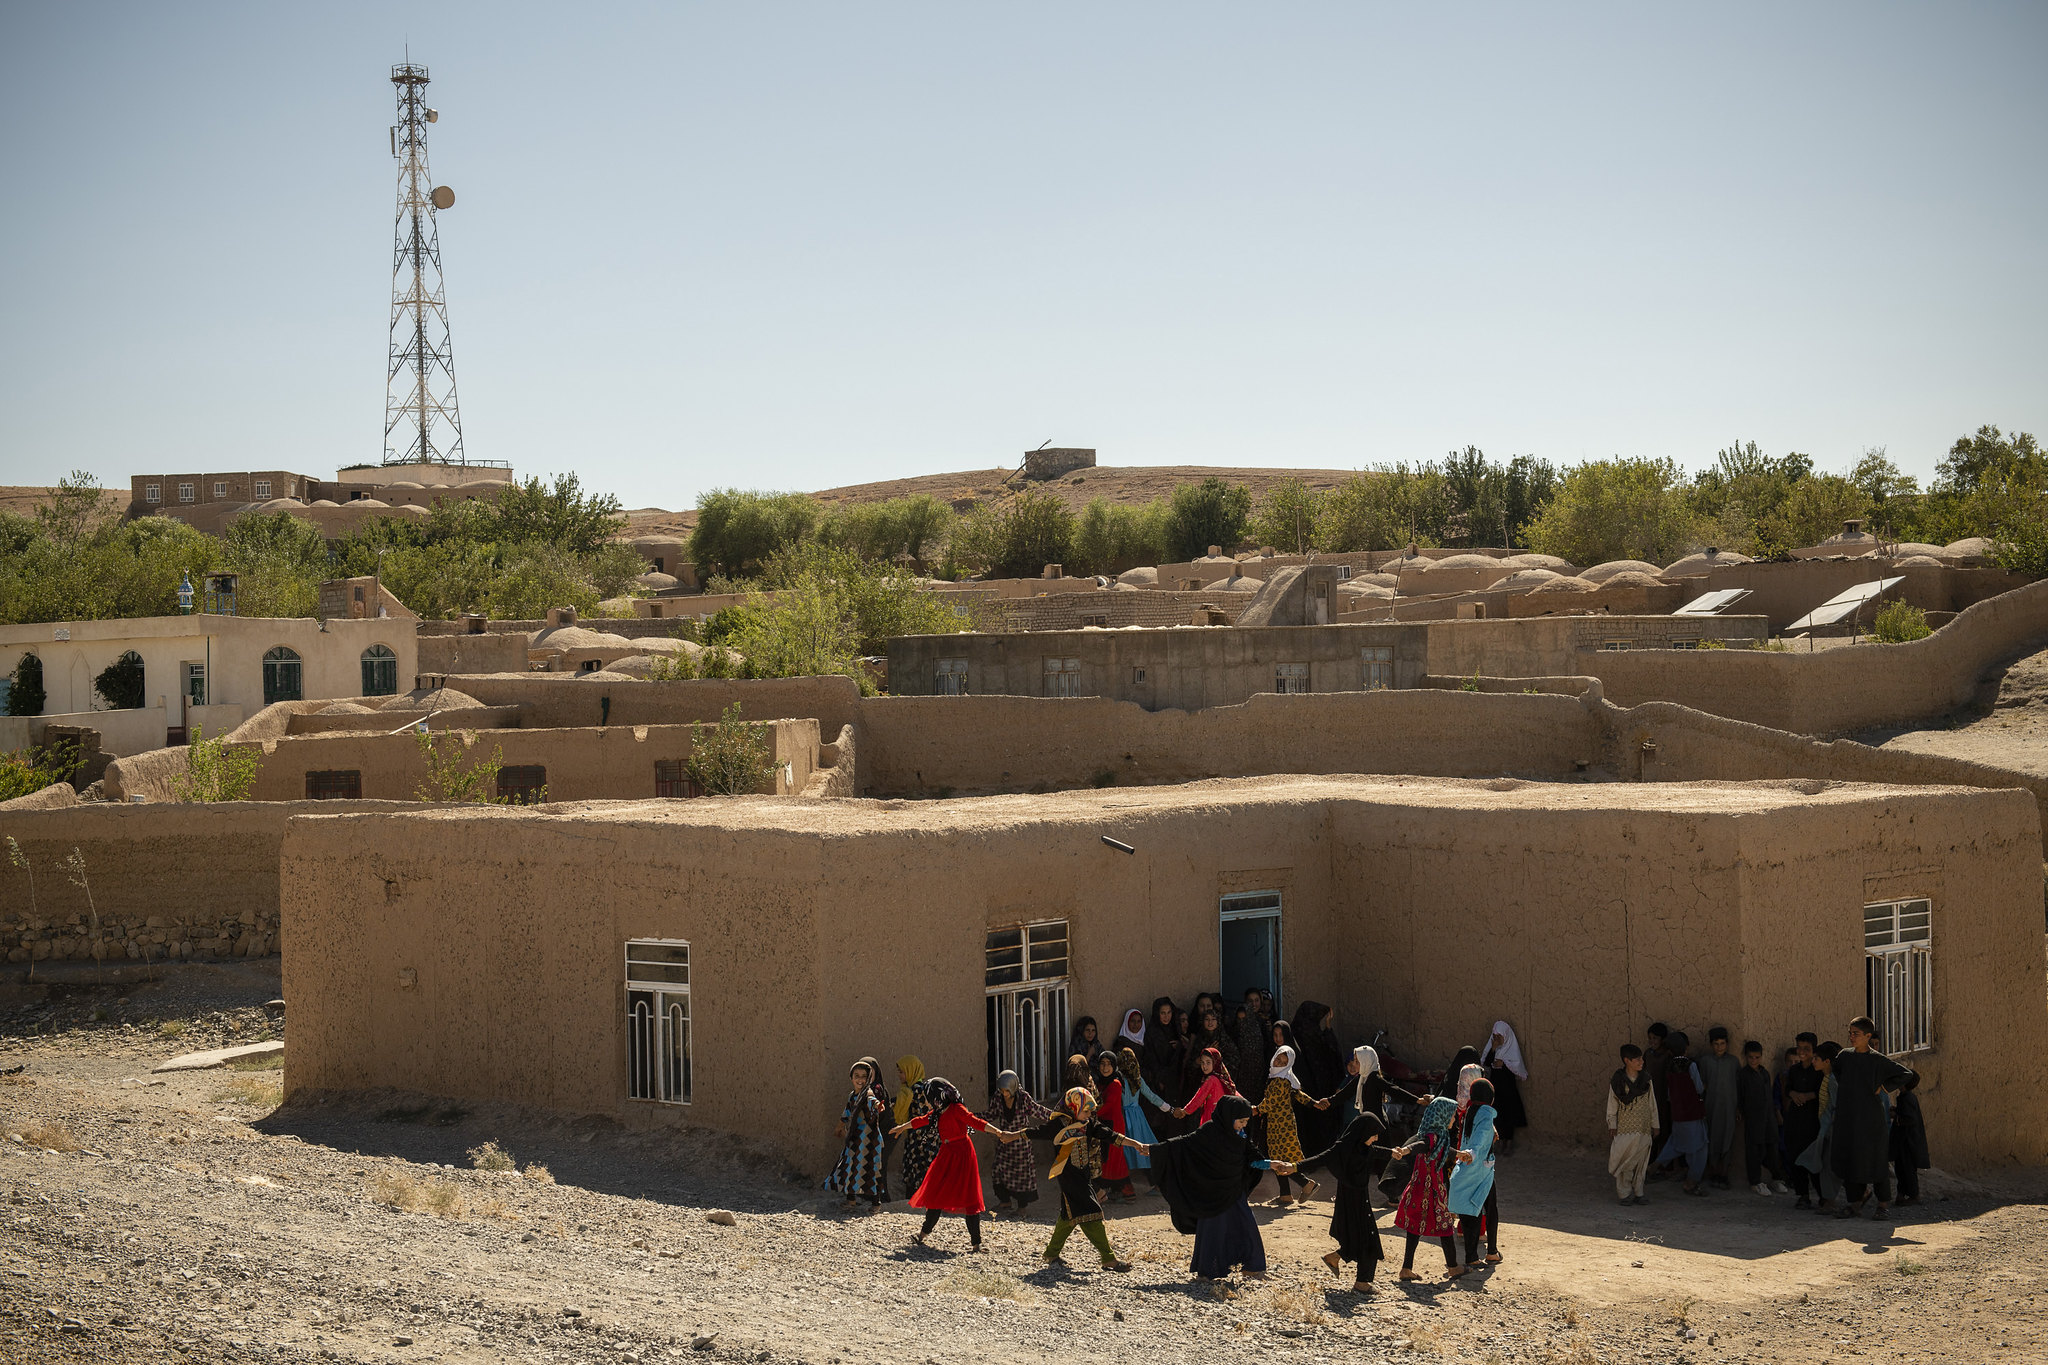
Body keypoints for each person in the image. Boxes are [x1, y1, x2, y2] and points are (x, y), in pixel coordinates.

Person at [1151, 1093, 1294, 1286]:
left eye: (1245, 1121)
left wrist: (1272, 1164)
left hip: (1234, 1192)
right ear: (1228, 1116)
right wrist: (1154, 1150)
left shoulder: (1241, 1135)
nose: (1243, 1125)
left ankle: (1252, 1268)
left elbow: (1252, 1159)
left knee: (1247, 1227)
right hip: (1211, 1194)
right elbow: (1183, 1144)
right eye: (1240, 1121)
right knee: (1212, 1232)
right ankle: (1206, 1272)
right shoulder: (1209, 1132)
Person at [892, 1077, 1021, 1252]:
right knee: (935, 1193)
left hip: (963, 1154)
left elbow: (975, 1122)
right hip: (946, 1153)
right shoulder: (939, 1112)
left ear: (936, 1097)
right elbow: (921, 1120)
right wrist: (902, 1127)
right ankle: (922, 1235)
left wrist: (998, 1132)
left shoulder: (955, 1109)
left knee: (969, 1197)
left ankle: (976, 1243)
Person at [1030, 1088, 1145, 1271]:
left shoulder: (1088, 1124)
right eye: (1085, 1110)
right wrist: (1011, 1135)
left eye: (1090, 1111)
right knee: (1091, 1211)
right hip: (1068, 1176)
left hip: (1083, 1176)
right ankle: (1108, 1258)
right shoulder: (1060, 1124)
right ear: (1074, 1107)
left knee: (1068, 1216)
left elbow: (1111, 1135)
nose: (1089, 1114)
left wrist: (1136, 1144)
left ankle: (1051, 1253)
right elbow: (1036, 1132)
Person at [1830, 1016, 1916, 1220]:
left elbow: (1905, 1074)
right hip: (1849, 1118)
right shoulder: (1844, 1056)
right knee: (1851, 1159)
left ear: (1868, 1036)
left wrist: (1884, 1088)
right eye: (1850, 1033)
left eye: (1856, 1034)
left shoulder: (1878, 1060)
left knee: (1876, 1161)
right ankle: (1855, 1203)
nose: (1851, 1037)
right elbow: (1838, 1072)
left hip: (1872, 1121)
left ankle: (1883, 1204)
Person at [1297, 1109, 1390, 1293]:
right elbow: (1321, 1158)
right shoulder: (1343, 1148)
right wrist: (1294, 1167)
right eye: (1374, 1135)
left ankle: (1338, 1259)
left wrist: (1394, 1153)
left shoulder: (1363, 1148)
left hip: (1360, 1199)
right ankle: (1360, 1281)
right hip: (1350, 1201)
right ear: (1363, 1132)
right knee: (1367, 1238)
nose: (1376, 1139)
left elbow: (1376, 1151)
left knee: (1362, 1237)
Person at [1391, 1095, 1461, 1281]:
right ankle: (1453, 1267)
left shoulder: (1440, 1137)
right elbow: (1421, 1146)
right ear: (1443, 1116)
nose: (1454, 1119)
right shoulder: (1431, 1137)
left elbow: (1446, 1148)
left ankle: (1406, 1269)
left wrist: (1460, 1154)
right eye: (1452, 1116)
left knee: (1415, 1227)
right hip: (1430, 1191)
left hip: (1421, 1189)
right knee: (1445, 1226)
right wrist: (1405, 1150)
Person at [1253, 1044, 1329, 1205]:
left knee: (1282, 1160)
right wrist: (1314, 1103)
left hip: (1282, 1126)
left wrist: (1256, 1109)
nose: (1279, 1063)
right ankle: (1285, 1195)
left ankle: (1307, 1184)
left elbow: (1271, 1102)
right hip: (1277, 1125)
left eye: (1283, 1062)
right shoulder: (1283, 1078)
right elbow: (1299, 1095)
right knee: (1279, 1158)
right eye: (1278, 1059)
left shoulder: (1280, 1081)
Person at [824, 1057, 889, 1212]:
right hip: (855, 1138)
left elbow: (873, 1103)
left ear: (868, 1079)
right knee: (850, 1167)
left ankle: (876, 1203)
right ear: (851, 1077)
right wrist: (838, 1129)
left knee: (871, 1169)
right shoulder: (853, 1095)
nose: (860, 1080)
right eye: (856, 1076)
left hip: (869, 1139)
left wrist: (877, 1107)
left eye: (863, 1077)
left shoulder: (868, 1094)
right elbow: (846, 1114)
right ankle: (851, 1200)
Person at [1448, 1078, 1501, 1269]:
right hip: (1482, 1170)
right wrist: (1471, 1153)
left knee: (1469, 1213)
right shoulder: (1486, 1117)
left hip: (1468, 1169)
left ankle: (1472, 1256)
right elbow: (1478, 1142)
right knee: (1488, 1208)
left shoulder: (1470, 1112)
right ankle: (1491, 1252)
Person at [982, 1070, 1053, 1212]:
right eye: (1001, 1090)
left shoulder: (1023, 1099)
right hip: (1005, 1142)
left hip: (1021, 1143)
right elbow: (990, 1115)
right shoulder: (998, 1098)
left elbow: (1038, 1111)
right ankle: (1005, 1202)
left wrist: (1057, 1117)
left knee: (1022, 1176)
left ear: (1013, 1088)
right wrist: (970, 1119)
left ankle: (1022, 1208)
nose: (1004, 1093)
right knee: (998, 1170)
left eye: (1006, 1091)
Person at [1655, 1032, 1709, 1195]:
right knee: (1700, 1147)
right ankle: (1691, 1182)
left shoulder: (1669, 1066)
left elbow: (1670, 1094)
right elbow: (1698, 1088)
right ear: (1685, 1048)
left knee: (1675, 1143)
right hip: (1692, 1112)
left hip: (1677, 1113)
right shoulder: (1690, 1066)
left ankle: (1654, 1166)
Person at [1607, 1044, 1658, 1205]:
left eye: (1642, 1058)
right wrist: (1612, 1124)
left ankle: (1639, 1192)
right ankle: (1624, 1194)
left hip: (1643, 1129)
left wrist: (1655, 1124)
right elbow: (1612, 1104)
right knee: (1626, 1162)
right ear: (1627, 1060)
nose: (1641, 1062)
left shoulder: (1646, 1080)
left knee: (1641, 1162)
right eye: (1637, 1059)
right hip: (1625, 1130)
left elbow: (1652, 1104)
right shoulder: (1618, 1081)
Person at [1737, 1040, 1785, 1196]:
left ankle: (1776, 1179)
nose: (1754, 1060)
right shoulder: (1743, 1075)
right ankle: (1755, 1182)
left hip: (1768, 1118)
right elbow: (1740, 1096)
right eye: (1751, 1057)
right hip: (1753, 1118)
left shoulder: (1764, 1073)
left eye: (1757, 1057)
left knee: (1772, 1149)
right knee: (1754, 1151)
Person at [1781, 1033, 1823, 1209]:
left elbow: (1822, 1092)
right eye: (1800, 1048)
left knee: (1814, 1159)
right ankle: (1803, 1195)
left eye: (1806, 1049)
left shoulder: (1818, 1071)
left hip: (1813, 1121)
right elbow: (1788, 1089)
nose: (1802, 1052)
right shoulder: (1794, 1070)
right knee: (1796, 1158)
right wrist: (1794, 1094)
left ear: (1814, 1050)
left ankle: (1823, 1196)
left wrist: (1808, 1096)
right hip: (1795, 1121)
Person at [1090, 1050, 1137, 1201]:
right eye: (1102, 1064)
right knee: (1106, 1158)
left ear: (1114, 1066)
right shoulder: (1100, 1083)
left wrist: (1092, 1113)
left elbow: (1108, 1105)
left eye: (1109, 1064)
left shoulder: (1115, 1083)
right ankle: (1112, 1190)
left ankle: (1128, 1192)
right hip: (1104, 1124)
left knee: (1114, 1158)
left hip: (1114, 1125)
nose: (1105, 1068)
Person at [1698, 1027, 1742, 1190]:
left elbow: (1738, 1086)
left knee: (1727, 1141)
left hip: (1729, 1109)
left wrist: (1738, 1108)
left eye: (1722, 1043)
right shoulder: (1705, 1061)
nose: (1719, 1047)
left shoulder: (1733, 1062)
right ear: (1711, 1045)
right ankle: (1714, 1173)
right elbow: (1702, 1085)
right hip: (1711, 1108)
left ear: (1727, 1044)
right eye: (1716, 1044)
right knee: (1712, 1140)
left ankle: (1724, 1175)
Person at [1140, 997, 1190, 1138]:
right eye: (1163, 1013)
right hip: (1159, 1084)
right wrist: (1160, 1079)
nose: (1166, 1016)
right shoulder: (1152, 1032)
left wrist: (1179, 1047)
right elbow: (1150, 1058)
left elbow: (1182, 1056)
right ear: (1157, 1014)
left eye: (1169, 1012)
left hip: (1177, 1082)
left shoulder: (1175, 1029)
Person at [894, 1056, 940, 1200]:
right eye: (899, 1072)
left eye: (902, 1072)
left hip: (922, 1138)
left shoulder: (918, 1090)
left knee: (919, 1168)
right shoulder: (911, 1089)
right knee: (916, 1168)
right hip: (916, 1136)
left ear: (911, 1071)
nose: (899, 1075)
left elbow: (923, 1114)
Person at [1481, 1021, 1529, 1153]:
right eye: (1494, 1036)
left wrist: (1504, 1063)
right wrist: (1494, 1049)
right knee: (1498, 1115)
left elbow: (1517, 1068)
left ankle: (1508, 1143)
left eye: (1499, 1036)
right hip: (1495, 1088)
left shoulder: (1511, 1049)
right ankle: (1500, 1141)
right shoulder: (1493, 1048)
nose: (1496, 1039)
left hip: (1508, 1088)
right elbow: (1485, 1062)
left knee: (1509, 1115)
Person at [1351, 1044, 1424, 1127]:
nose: (1354, 1064)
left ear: (1365, 1062)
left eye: (1357, 1061)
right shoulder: (1362, 1078)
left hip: (1378, 1124)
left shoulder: (1374, 1078)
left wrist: (1416, 1100)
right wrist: (1332, 1101)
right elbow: (1346, 1092)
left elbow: (1394, 1090)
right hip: (1369, 1122)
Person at [1889, 1072, 1929, 1207]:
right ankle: (1901, 1194)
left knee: (1907, 1169)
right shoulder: (1906, 1097)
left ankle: (1914, 1195)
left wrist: (1896, 1116)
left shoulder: (1907, 1098)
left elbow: (1910, 1119)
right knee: (1901, 1168)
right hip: (1903, 1141)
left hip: (1907, 1142)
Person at [1185, 1006, 1243, 1097]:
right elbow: (1192, 1064)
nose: (1210, 1022)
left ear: (1218, 1021)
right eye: (1207, 1019)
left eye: (1213, 1019)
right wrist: (1205, 1056)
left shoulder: (1224, 1040)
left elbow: (1234, 1060)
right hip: (1200, 1084)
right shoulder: (1199, 1040)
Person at [1180, 1046, 1238, 1126]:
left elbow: (1199, 1098)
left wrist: (1185, 1111)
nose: (1204, 1066)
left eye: (1208, 1062)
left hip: (1211, 1118)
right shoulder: (1224, 1079)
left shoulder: (1211, 1079)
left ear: (1215, 1062)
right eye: (1202, 1062)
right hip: (1222, 1118)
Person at [1644, 1023, 1674, 1169]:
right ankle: (1650, 1163)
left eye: (1655, 1038)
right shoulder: (1647, 1055)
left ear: (1662, 1039)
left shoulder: (1667, 1057)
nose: (1652, 1041)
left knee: (1664, 1131)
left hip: (1663, 1101)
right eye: (1650, 1038)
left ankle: (1663, 1165)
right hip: (1650, 1101)